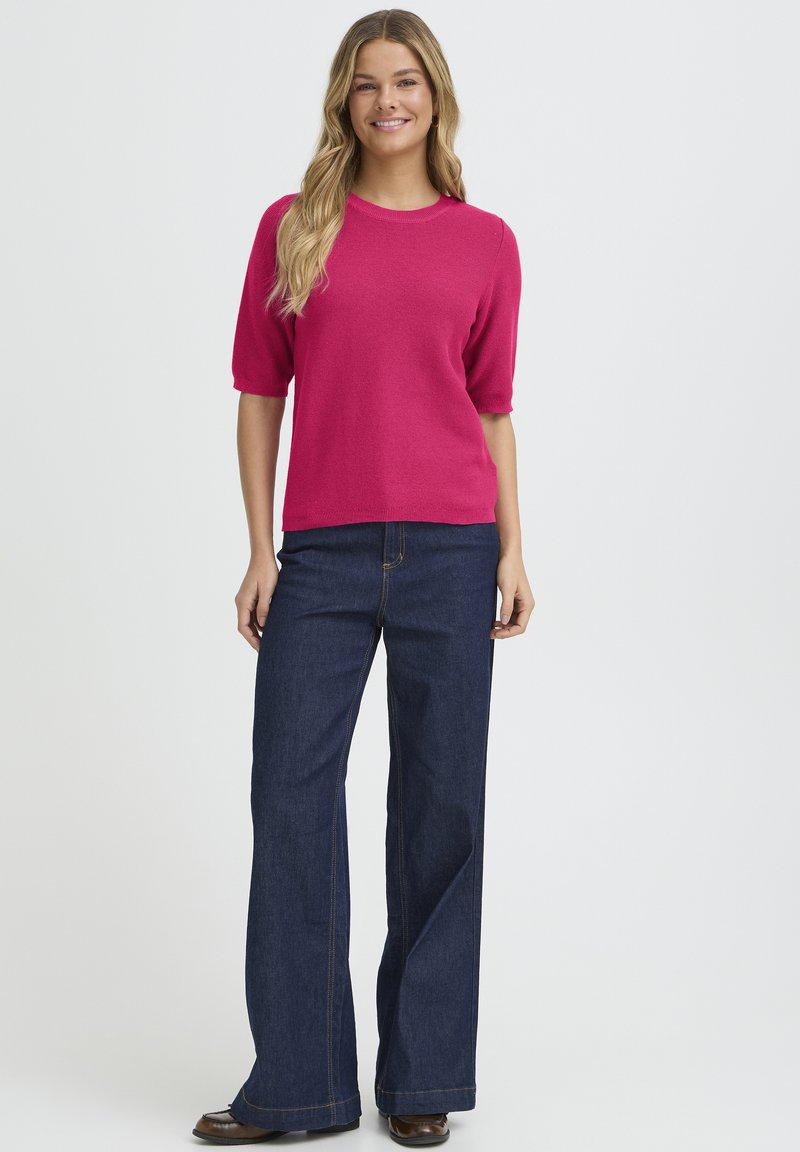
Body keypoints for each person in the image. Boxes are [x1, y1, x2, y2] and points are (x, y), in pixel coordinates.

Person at [192, 8, 535, 1147]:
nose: (388, 101)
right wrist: (260, 550)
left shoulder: (485, 242)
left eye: (407, 81)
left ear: (435, 97)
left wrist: (513, 548)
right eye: (367, 83)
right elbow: (259, 395)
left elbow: (491, 408)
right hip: (323, 556)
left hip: (452, 548)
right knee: (290, 796)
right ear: (343, 100)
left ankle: (421, 1076)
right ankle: (299, 1083)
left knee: (441, 806)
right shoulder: (294, 227)